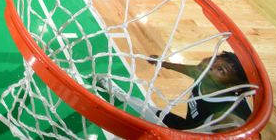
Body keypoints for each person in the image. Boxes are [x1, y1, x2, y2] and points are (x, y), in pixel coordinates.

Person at [102, 52, 252, 131]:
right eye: (214, 60)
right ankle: (119, 94)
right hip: (187, 128)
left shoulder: (228, 115)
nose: (210, 65)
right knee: (144, 108)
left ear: (231, 87)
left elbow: (239, 127)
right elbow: (189, 69)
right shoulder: (205, 73)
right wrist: (162, 63)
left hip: (193, 136)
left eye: (221, 69)